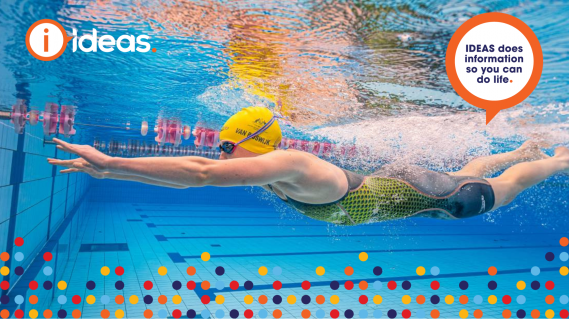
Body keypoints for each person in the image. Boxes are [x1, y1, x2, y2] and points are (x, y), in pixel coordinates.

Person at [48, 107, 569, 225]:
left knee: (492, 189)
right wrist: (113, 167)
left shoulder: (291, 162)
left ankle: (554, 160)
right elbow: (199, 162)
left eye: (229, 147)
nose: (222, 155)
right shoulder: (271, 168)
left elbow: (201, 174)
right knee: (470, 169)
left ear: (256, 143)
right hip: (399, 186)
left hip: (434, 197)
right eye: (222, 148)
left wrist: (112, 165)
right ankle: (519, 149)